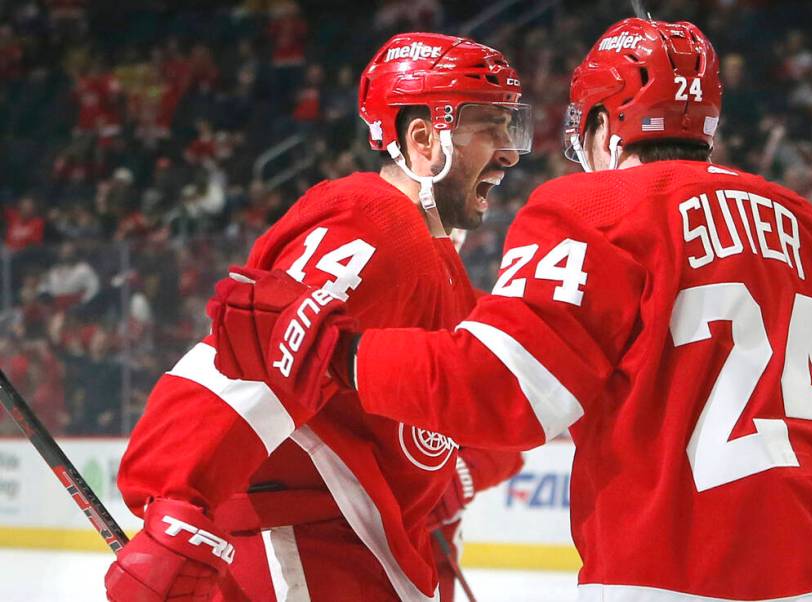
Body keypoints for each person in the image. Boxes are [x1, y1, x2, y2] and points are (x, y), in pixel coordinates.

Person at [209, 18, 812, 602]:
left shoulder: (594, 209)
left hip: (671, 583)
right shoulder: (811, 228)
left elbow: (500, 391)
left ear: (607, 128)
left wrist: (333, 350)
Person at [105, 32, 530, 602]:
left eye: (510, 125)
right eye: (489, 126)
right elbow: (251, 357)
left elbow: (492, 392)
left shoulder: (438, 261)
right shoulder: (373, 223)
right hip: (300, 550)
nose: (509, 150)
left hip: (363, 554)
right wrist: (177, 498)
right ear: (426, 139)